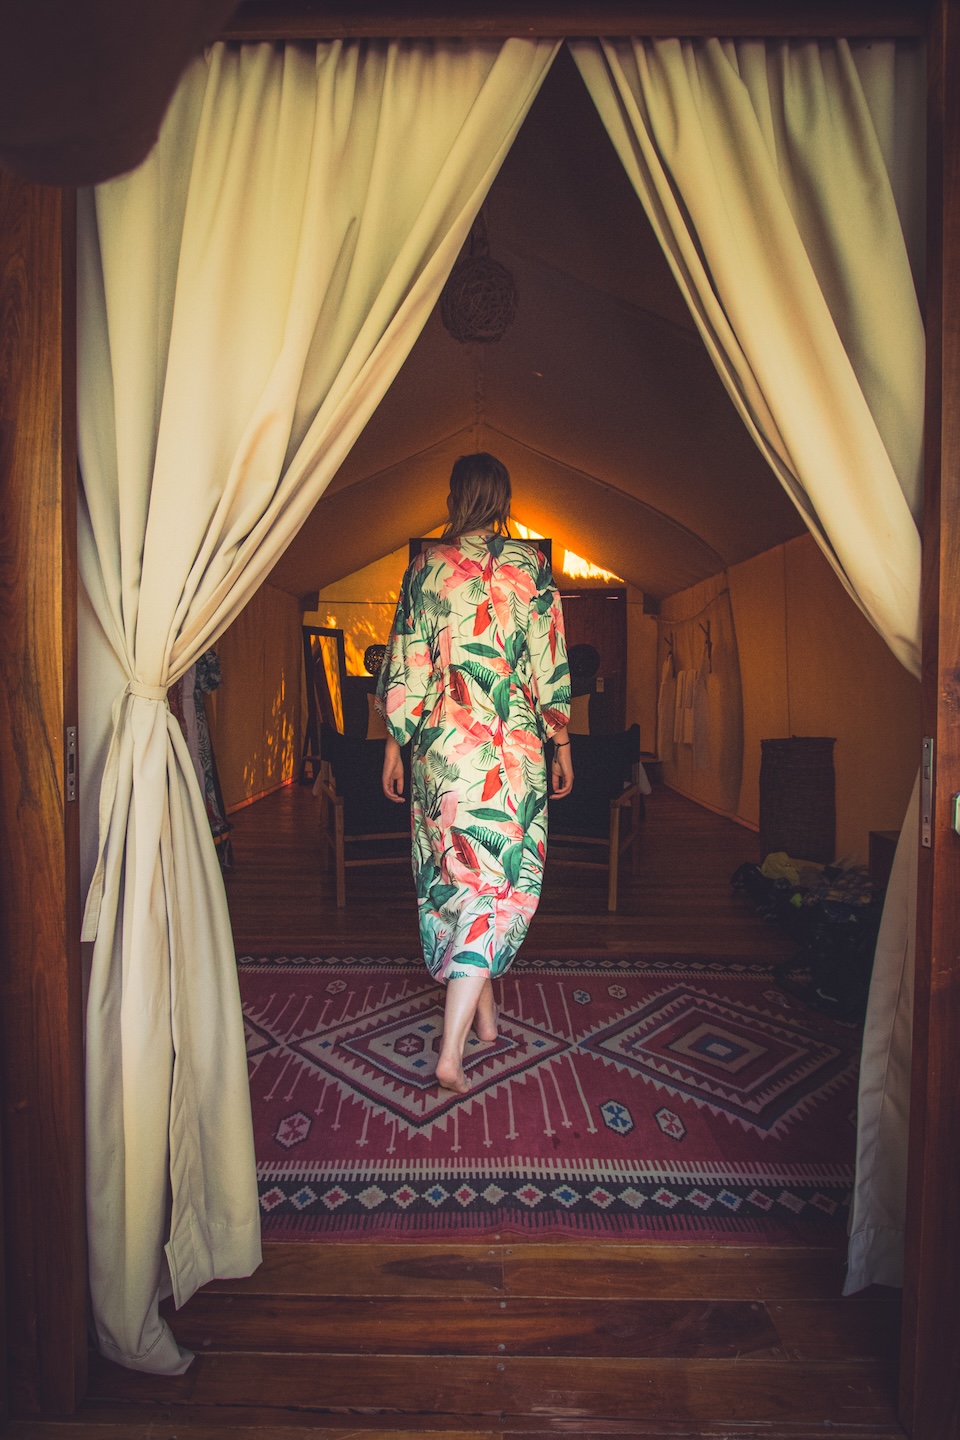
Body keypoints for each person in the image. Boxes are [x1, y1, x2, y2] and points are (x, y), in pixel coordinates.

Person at [376, 453, 572, 1093]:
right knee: (499, 887)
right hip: (510, 755)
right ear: (504, 499)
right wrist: (562, 742)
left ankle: (484, 1016)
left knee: (463, 880)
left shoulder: (425, 570)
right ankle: (451, 1053)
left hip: (442, 753)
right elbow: (549, 667)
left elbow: (407, 664)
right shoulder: (532, 572)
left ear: (456, 497)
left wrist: (393, 747)